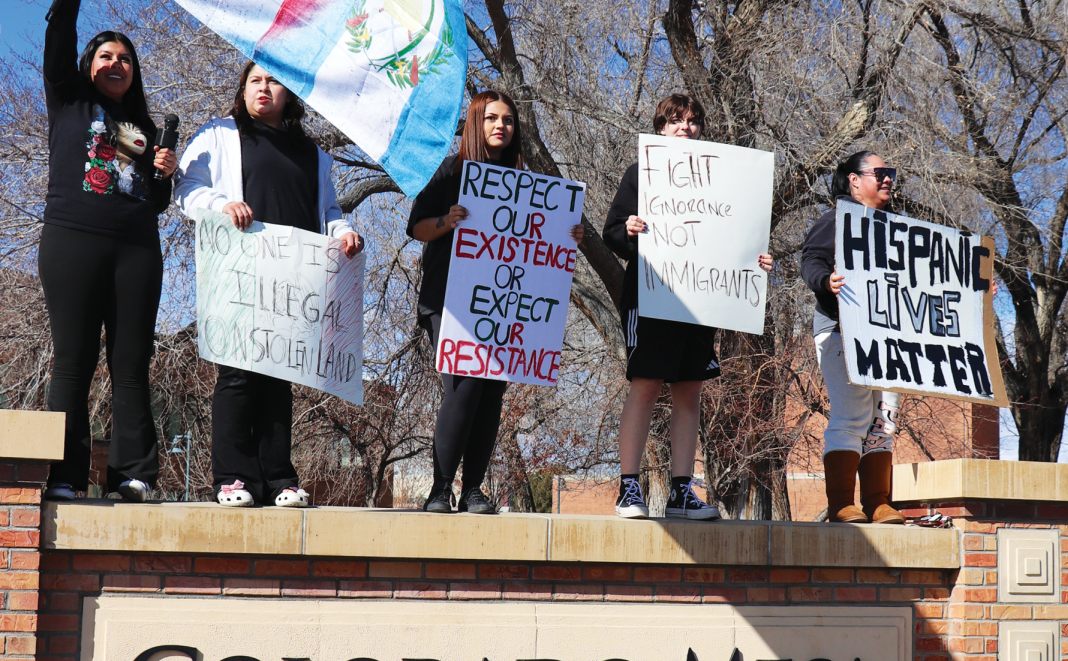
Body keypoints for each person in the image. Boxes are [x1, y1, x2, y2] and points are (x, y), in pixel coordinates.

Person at [175, 62, 363, 508]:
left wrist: (344, 233)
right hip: (238, 274)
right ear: (242, 90)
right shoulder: (219, 135)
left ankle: (279, 479)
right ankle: (234, 479)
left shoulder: (313, 153)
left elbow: (330, 211)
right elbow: (186, 189)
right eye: (254, 81)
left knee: (281, 378)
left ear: (290, 93)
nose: (263, 88)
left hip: (293, 281)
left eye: (273, 81)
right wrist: (222, 204)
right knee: (238, 373)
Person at [38, 0, 178, 503]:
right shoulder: (69, 99)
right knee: (74, 358)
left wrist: (164, 175)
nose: (116, 63)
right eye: (106, 56)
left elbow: (150, 198)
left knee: (131, 361)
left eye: (125, 59)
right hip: (73, 239)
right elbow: (56, 32)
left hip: (136, 249)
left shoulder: (141, 131)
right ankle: (65, 476)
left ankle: (132, 474)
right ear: (88, 65)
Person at [407, 89, 585, 514]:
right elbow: (416, 227)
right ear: (475, 122)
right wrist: (447, 222)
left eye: (507, 119)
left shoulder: (531, 186)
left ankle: (472, 490)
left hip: (501, 307)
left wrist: (568, 234)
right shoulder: (452, 170)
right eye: (491, 118)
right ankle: (439, 489)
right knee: (466, 384)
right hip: (448, 299)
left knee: (490, 393)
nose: (500, 126)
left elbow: (542, 238)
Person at [602, 92, 773, 520]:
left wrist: (757, 260)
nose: (685, 128)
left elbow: (735, 241)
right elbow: (611, 234)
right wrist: (630, 229)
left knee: (690, 389)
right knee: (646, 383)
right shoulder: (641, 174)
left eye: (693, 121)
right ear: (660, 128)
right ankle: (629, 487)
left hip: (701, 303)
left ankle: (681, 490)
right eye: (676, 120)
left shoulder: (725, 182)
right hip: (653, 297)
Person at [800, 150, 905, 525]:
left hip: (890, 340)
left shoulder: (899, 228)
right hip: (842, 332)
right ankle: (843, 503)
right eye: (880, 172)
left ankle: (878, 502)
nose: (888, 178)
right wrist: (825, 281)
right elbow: (811, 260)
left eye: (890, 172)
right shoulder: (835, 221)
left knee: (885, 419)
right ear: (854, 180)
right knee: (852, 416)